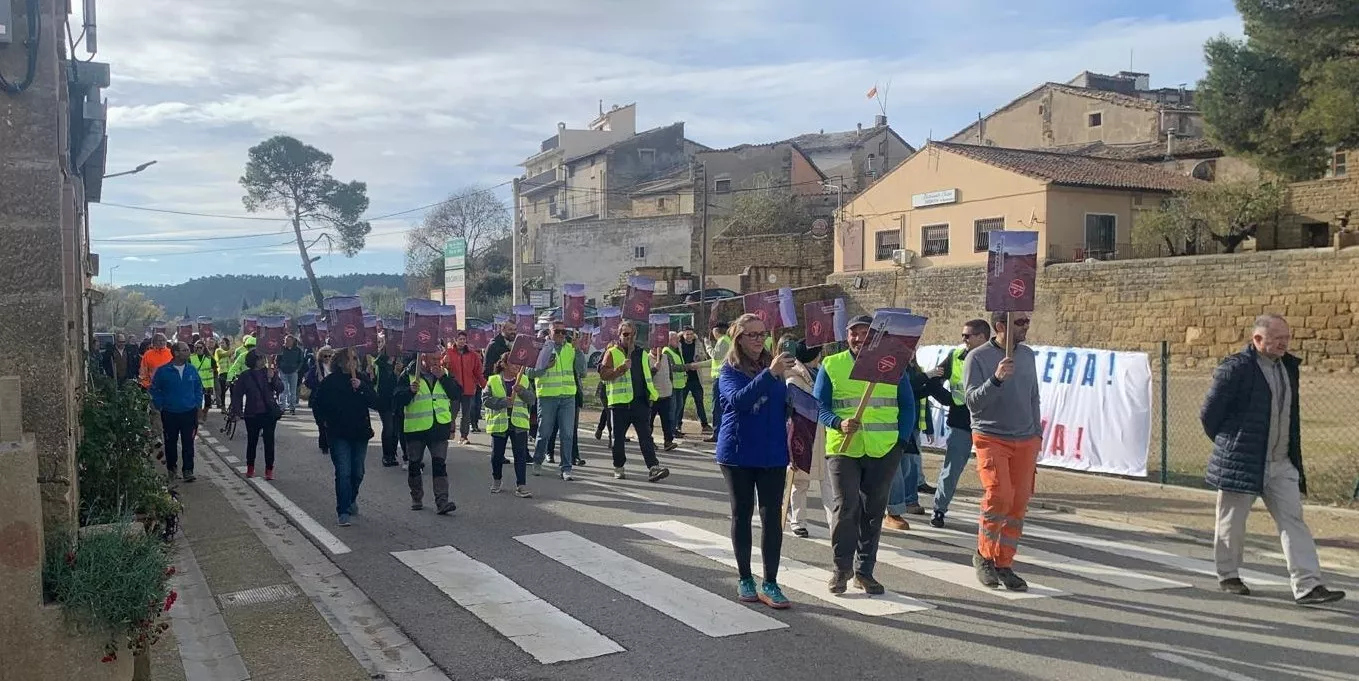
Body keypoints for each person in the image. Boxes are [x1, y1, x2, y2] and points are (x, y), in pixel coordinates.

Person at [1201, 314, 1345, 606]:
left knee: (1294, 521)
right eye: (1278, 338)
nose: (1284, 343)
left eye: (1287, 338)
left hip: (1281, 463)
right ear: (1257, 339)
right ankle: (1228, 575)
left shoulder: (1288, 367)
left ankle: (1308, 585)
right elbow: (1209, 413)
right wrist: (1232, 445)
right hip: (1243, 459)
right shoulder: (1236, 369)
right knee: (1232, 521)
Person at [815, 314, 914, 595]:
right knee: (846, 507)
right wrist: (838, 422)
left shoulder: (893, 365)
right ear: (846, 336)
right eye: (853, 333)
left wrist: (900, 443)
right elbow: (819, 406)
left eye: (864, 334)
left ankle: (864, 571)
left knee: (873, 512)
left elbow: (907, 406)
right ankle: (840, 568)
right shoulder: (831, 365)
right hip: (844, 448)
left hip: (883, 449)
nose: (858, 339)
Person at [716, 313, 793, 608]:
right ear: (738, 338)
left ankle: (771, 582)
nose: (759, 340)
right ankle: (745, 576)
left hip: (772, 452)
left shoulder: (774, 368)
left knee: (772, 517)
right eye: (752, 335)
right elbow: (739, 401)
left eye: (762, 334)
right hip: (738, 453)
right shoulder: (729, 371)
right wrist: (770, 375)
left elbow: (780, 405)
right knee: (742, 513)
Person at [964, 311, 1041, 592]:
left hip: (1025, 439)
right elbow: (972, 402)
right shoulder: (978, 357)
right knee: (999, 496)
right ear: (1000, 326)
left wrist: (1037, 434)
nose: (1026, 326)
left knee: (1018, 502)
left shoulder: (1029, 355)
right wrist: (996, 379)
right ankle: (984, 556)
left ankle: (1003, 562)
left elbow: (1033, 395)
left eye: (1026, 321)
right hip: (991, 436)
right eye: (1020, 322)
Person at [926, 319, 992, 528]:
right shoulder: (955, 356)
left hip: (991, 423)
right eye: (963, 335)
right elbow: (934, 379)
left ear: (982, 337)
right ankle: (939, 510)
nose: (963, 339)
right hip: (961, 421)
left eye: (968, 335)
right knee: (952, 468)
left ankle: (996, 515)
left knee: (993, 471)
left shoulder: (997, 357)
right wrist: (948, 399)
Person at [598, 321, 670, 483]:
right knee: (618, 439)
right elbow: (603, 374)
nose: (628, 337)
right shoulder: (612, 352)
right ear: (619, 335)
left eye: (631, 334)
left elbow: (645, 376)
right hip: (619, 404)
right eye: (625, 334)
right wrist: (621, 369)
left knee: (646, 437)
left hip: (640, 402)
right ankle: (618, 466)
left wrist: (651, 395)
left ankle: (653, 467)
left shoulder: (641, 354)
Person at [312, 348, 377, 527]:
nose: (353, 362)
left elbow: (376, 402)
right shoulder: (330, 382)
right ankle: (343, 510)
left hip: (359, 433)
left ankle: (350, 498)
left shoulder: (361, 379)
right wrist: (323, 423)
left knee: (358, 472)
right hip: (338, 433)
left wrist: (362, 387)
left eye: (355, 359)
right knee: (343, 472)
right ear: (340, 362)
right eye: (349, 359)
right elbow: (317, 405)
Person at [394, 352, 462, 514]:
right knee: (415, 464)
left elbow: (456, 394)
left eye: (439, 359)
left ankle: (442, 501)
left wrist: (443, 378)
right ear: (423, 359)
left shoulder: (444, 374)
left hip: (439, 427)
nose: (437, 362)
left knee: (439, 464)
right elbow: (396, 400)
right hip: (416, 428)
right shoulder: (409, 375)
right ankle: (416, 497)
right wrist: (409, 392)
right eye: (433, 359)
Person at [784, 338, 829, 538]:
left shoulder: (821, 374)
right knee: (799, 482)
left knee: (829, 483)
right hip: (803, 437)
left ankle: (836, 523)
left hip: (825, 436)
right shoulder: (794, 379)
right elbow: (792, 415)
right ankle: (798, 520)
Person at [529, 321, 579, 480]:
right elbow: (529, 373)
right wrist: (544, 367)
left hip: (568, 397)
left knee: (567, 434)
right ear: (549, 333)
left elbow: (583, 371)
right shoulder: (540, 348)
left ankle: (566, 467)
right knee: (544, 432)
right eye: (557, 331)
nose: (561, 335)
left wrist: (578, 352)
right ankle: (538, 460)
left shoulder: (570, 348)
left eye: (564, 332)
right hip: (547, 397)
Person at [149, 341, 204, 482]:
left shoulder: (191, 370)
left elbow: (198, 388)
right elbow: (154, 389)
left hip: (189, 413)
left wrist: (197, 404)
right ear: (176, 353)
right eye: (185, 350)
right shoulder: (163, 371)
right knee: (170, 443)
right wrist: (160, 404)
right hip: (170, 413)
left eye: (188, 350)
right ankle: (172, 470)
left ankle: (188, 470)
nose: (188, 352)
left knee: (188, 442)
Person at [484, 357, 535, 498]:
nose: (517, 366)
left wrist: (522, 391)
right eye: (513, 363)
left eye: (519, 364)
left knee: (520, 455)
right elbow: (486, 400)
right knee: (497, 455)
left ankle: (521, 485)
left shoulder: (523, 380)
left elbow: (532, 399)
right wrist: (502, 402)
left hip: (518, 425)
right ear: (504, 364)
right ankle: (497, 479)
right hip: (500, 424)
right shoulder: (493, 380)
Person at [232, 349, 285, 480]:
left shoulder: (269, 373)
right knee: (252, 441)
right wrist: (238, 412)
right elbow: (237, 394)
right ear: (254, 360)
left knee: (269, 442)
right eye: (260, 358)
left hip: (268, 413)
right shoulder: (245, 376)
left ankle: (269, 470)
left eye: (263, 357)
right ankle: (250, 468)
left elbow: (280, 388)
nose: (263, 360)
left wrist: (272, 378)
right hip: (252, 413)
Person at [445, 331, 485, 445]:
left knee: (466, 414)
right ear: (455, 340)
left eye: (464, 339)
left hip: (468, 389)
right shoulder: (448, 353)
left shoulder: (473, 355)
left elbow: (478, 372)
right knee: (452, 412)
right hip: (454, 389)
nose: (462, 341)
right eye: (460, 339)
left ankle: (464, 436)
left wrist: (484, 385)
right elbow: (443, 367)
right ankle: (450, 431)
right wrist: (444, 362)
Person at [674, 325, 712, 437]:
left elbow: (703, 356)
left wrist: (700, 358)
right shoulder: (679, 344)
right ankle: (677, 424)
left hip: (695, 377)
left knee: (699, 401)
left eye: (691, 334)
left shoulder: (697, 343)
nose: (689, 336)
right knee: (681, 403)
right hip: (683, 377)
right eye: (687, 334)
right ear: (683, 334)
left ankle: (704, 424)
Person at [374, 348, 407, 468]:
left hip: (397, 401)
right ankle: (387, 455)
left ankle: (394, 454)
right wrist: (394, 372)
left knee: (397, 430)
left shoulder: (401, 362)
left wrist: (399, 372)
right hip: (385, 401)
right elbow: (383, 384)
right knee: (389, 428)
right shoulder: (380, 365)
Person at [647, 332, 681, 451]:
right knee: (649, 421)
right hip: (653, 396)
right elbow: (645, 377)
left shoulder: (666, 357)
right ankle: (649, 442)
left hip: (666, 394)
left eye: (660, 347)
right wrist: (654, 369)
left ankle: (668, 441)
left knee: (667, 420)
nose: (659, 350)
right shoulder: (646, 359)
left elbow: (670, 374)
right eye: (656, 347)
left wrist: (670, 385)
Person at [704, 321, 732, 443]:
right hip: (723, 376)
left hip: (720, 377)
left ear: (716, 331)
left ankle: (717, 432)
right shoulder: (727, 340)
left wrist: (707, 345)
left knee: (717, 406)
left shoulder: (723, 341)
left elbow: (716, 356)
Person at [304, 346, 335, 454]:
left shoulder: (336, 368)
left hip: (333, 399)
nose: (327, 358)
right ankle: (324, 445)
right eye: (325, 356)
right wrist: (317, 382)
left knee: (332, 423)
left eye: (330, 356)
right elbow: (307, 382)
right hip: (318, 400)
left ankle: (332, 442)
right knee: (321, 423)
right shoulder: (315, 368)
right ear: (321, 357)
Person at [189, 340, 218, 422]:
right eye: (196, 347)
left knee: (208, 402)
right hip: (195, 383)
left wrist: (213, 370)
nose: (198, 349)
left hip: (207, 383)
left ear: (204, 348)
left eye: (200, 347)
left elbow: (215, 367)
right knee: (197, 401)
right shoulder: (191, 358)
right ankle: (199, 416)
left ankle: (204, 412)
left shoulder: (209, 358)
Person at [277, 335, 305, 415]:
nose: (286, 342)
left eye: (288, 341)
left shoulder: (298, 350)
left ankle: (292, 407)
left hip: (293, 372)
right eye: (285, 340)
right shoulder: (281, 349)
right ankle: (282, 407)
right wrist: (279, 368)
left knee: (292, 391)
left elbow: (301, 361)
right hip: (283, 372)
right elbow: (277, 360)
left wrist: (297, 369)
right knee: (283, 390)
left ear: (293, 342)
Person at [214, 337, 233, 413]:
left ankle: (232, 407)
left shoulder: (230, 352)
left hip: (230, 373)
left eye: (223, 343)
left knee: (233, 391)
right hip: (222, 373)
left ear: (227, 344)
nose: (221, 344)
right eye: (220, 343)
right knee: (222, 392)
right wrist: (231, 350)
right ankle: (223, 407)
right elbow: (225, 354)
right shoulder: (218, 350)